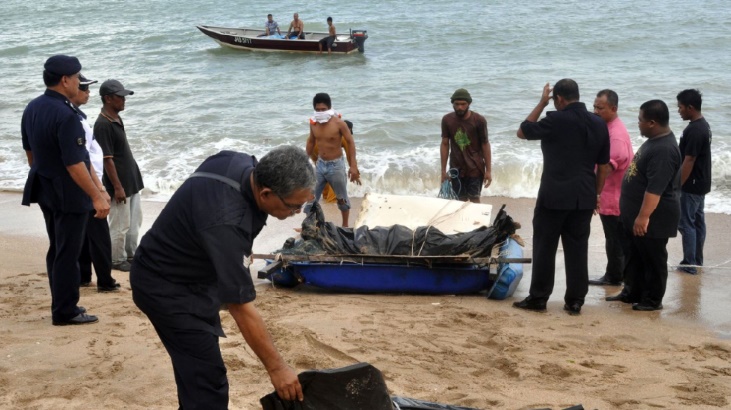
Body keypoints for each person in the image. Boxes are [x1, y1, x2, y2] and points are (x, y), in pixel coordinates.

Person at [130, 146, 311, 408]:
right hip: (165, 287)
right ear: (266, 193)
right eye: (294, 207)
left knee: (194, 369)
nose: (297, 212)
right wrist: (278, 369)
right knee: (207, 380)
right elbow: (240, 306)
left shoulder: (237, 162)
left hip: (191, 272)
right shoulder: (226, 222)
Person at [21, 55, 110, 326]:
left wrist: (48, 177)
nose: (78, 81)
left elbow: (31, 154)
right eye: (77, 77)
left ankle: (63, 303)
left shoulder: (33, 107)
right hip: (68, 192)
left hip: (45, 186)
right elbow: (75, 163)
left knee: (58, 249)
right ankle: (64, 310)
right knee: (68, 252)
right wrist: (96, 195)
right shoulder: (66, 114)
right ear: (65, 80)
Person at [512, 80, 611, 315]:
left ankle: (539, 298)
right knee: (578, 249)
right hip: (584, 196)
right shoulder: (598, 123)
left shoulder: (555, 120)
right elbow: (604, 165)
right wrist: (597, 194)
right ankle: (575, 301)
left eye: (553, 101)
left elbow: (523, 131)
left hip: (553, 197)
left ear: (559, 99)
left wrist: (540, 102)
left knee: (545, 247)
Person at [606, 100, 681, 311]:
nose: (637, 123)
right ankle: (632, 292)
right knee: (634, 256)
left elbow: (655, 189)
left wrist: (643, 216)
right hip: (633, 214)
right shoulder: (654, 140)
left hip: (654, 219)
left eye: (640, 120)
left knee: (653, 260)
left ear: (652, 122)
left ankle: (652, 300)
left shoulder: (664, 150)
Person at [69, 75, 120, 292]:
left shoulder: (75, 116)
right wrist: (99, 190)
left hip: (84, 182)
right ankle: (105, 280)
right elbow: (81, 159)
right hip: (88, 182)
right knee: (99, 235)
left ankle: (83, 275)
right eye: (84, 88)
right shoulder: (72, 118)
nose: (88, 93)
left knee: (83, 232)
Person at [94, 79, 144, 273]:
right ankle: (117, 259)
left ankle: (131, 254)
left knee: (134, 222)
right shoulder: (102, 125)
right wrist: (117, 187)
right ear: (108, 98)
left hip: (131, 180)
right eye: (120, 97)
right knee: (120, 224)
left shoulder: (115, 118)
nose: (124, 100)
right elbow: (107, 159)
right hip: (120, 184)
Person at [588, 89, 634, 287]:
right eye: (594, 107)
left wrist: (595, 193)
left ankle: (614, 277)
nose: (596, 111)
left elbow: (605, 167)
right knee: (613, 238)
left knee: (614, 239)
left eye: (600, 108)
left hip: (614, 197)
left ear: (613, 108)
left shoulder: (616, 135)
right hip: (612, 195)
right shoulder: (607, 126)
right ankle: (617, 273)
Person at [305, 93, 360, 227]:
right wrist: (303, 160)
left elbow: (350, 143)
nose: (320, 112)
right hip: (320, 165)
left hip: (336, 166)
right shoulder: (313, 123)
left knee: (341, 199)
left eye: (323, 109)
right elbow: (311, 142)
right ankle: (309, 226)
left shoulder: (339, 123)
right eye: (317, 110)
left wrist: (353, 166)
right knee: (311, 198)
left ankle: (345, 226)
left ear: (329, 108)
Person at [676, 89, 712, 275]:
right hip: (701, 182)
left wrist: (677, 185)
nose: (678, 111)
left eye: (680, 107)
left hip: (691, 184)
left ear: (690, 107)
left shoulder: (695, 130)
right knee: (697, 222)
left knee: (686, 223)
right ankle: (696, 260)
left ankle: (690, 262)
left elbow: (689, 160)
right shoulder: (702, 125)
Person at [439, 88, 492, 203]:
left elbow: (485, 144)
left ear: (469, 103)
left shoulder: (479, 120)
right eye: (457, 104)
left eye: (463, 104)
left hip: (475, 167)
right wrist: (443, 170)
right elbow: (444, 144)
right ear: (452, 104)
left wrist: (488, 170)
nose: (460, 107)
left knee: (474, 199)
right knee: (459, 200)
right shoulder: (447, 120)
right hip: (456, 167)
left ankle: (478, 221)